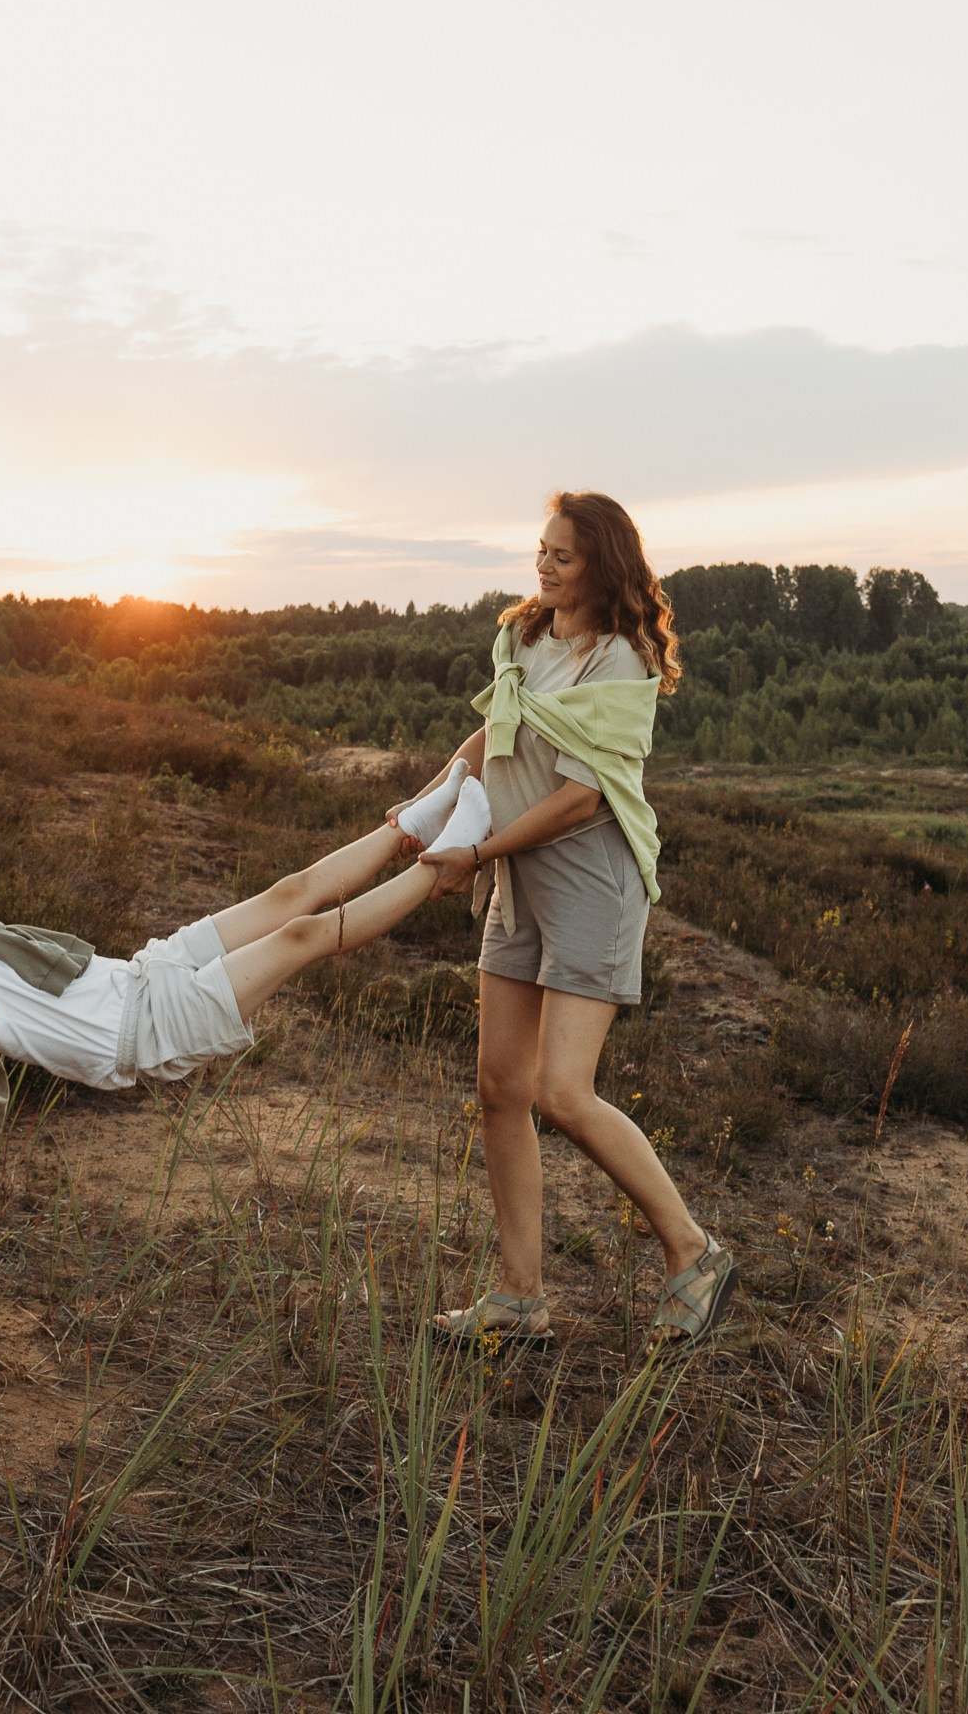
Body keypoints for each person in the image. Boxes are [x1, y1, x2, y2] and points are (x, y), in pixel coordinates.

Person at [391, 492, 736, 1348]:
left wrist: (475, 854)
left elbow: (582, 801)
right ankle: (519, 1295)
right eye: (540, 550)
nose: (543, 567)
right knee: (500, 1087)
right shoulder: (524, 638)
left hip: (590, 881)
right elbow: (489, 738)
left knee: (561, 1091)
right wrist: (426, 807)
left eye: (563, 557)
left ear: (604, 567)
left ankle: (694, 1254)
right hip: (517, 874)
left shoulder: (620, 662)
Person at [0, 773, 495, 1114]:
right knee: (304, 936)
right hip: (155, 1029)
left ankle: (412, 825)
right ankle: (444, 860)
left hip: (148, 974)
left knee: (290, 894)